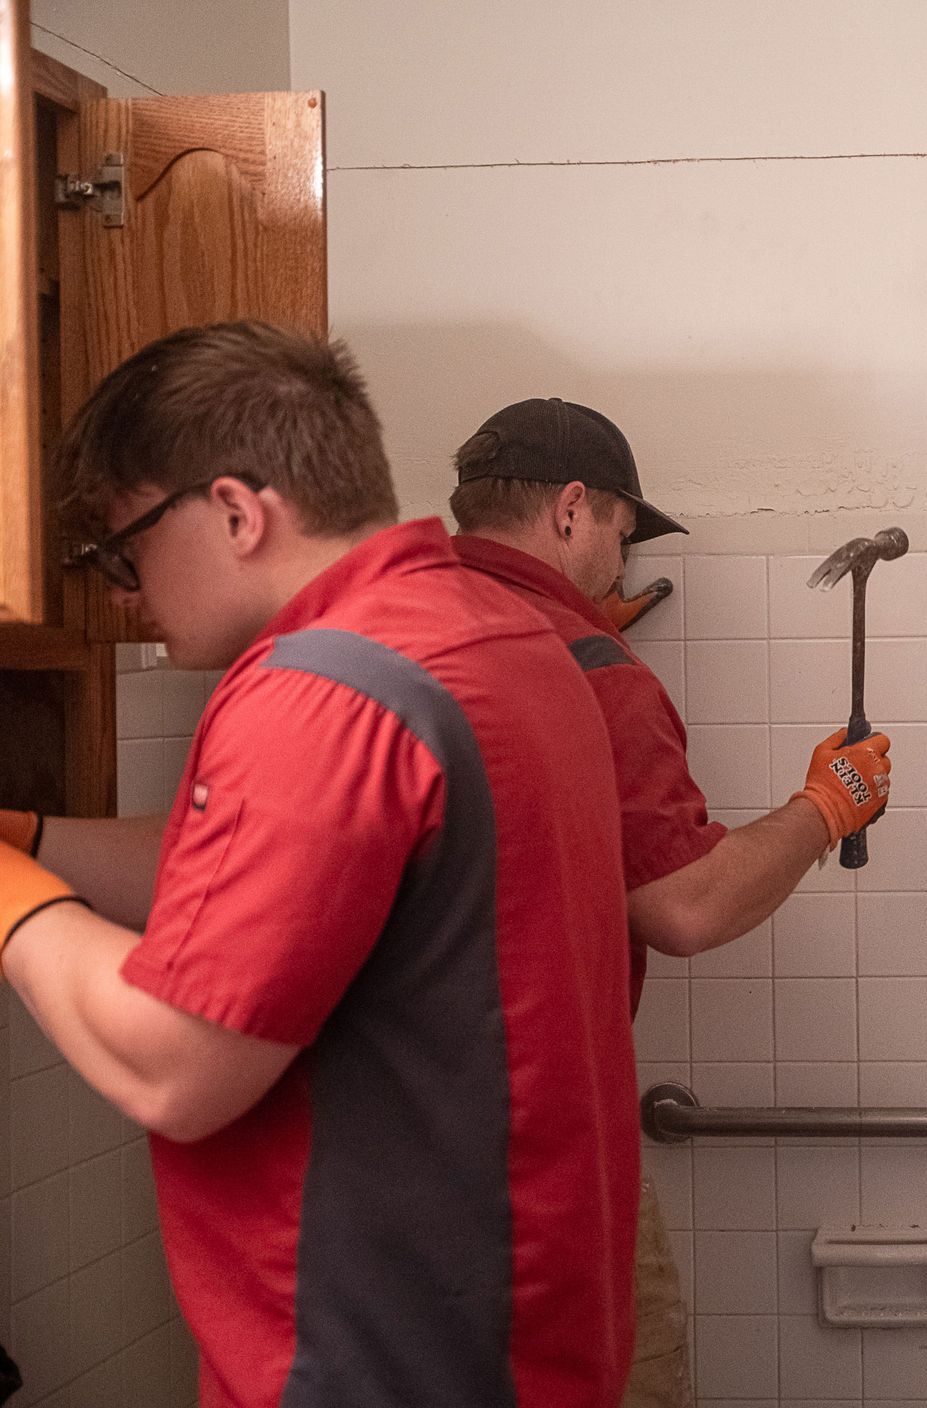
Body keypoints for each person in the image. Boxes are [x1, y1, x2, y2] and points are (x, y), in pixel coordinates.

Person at [0, 323, 642, 1407]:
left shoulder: (322, 690)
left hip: (378, 1364)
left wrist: (8, 900)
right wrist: (28, 836)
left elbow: (174, 1068)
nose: (121, 594)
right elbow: (267, 878)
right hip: (512, 1338)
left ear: (236, 513)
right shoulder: (491, 637)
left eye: (124, 550)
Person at [443, 398, 893, 1405]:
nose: (620, 560)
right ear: (570, 509)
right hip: (537, 1148)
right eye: (621, 531)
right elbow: (686, 907)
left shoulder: (388, 631)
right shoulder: (590, 672)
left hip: (375, 1145)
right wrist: (829, 805)